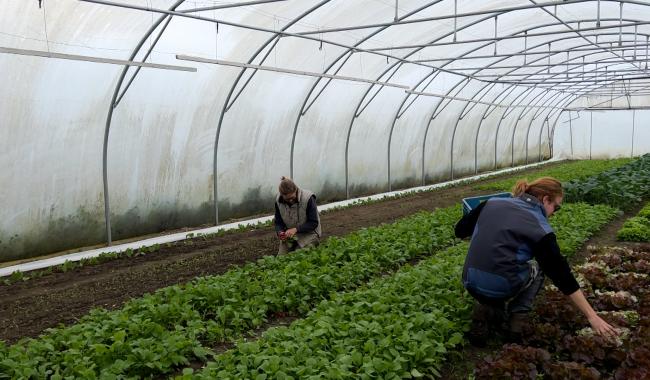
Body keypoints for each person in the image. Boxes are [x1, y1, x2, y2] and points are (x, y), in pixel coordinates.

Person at [455, 177, 617, 346]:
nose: (554, 212)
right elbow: (562, 276)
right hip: (502, 284)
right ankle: (516, 323)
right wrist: (592, 316)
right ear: (545, 199)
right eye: (556, 207)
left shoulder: (492, 203)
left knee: (496, 268)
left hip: (470, 280)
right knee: (538, 268)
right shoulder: (539, 228)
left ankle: (488, 309)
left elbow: (460, 231)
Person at [274, 176, 321, 255]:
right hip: (290, 236)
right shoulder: (278, 201)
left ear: (296, 190)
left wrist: (295, 229)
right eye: (287, 199)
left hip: (310, 234)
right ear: (282, 195)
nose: (291, 200)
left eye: (292, 197)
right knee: (281, 258)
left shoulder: (308, 198)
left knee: (298, 255)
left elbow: (313, 222)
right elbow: (278, 222)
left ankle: (312, 244)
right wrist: (280, 232)